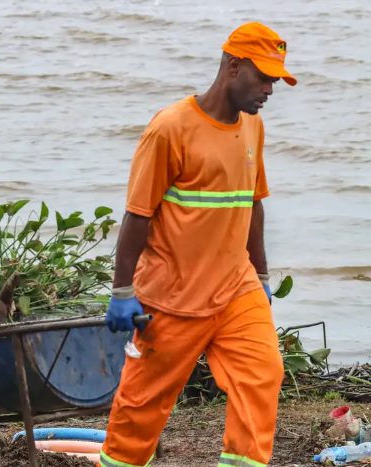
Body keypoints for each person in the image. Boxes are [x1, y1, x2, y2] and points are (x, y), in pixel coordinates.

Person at [101, 22, 296, 467]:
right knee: (139, 411)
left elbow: (253, 203)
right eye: (262, 76)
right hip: (173, 297)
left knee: (263, 374)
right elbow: (137, 216)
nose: (269, 89)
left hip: (235, 289)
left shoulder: (253, 127)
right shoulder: (170, 129)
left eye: (274, 80)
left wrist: (261, 276)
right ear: (232, 66)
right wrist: (121, 291)